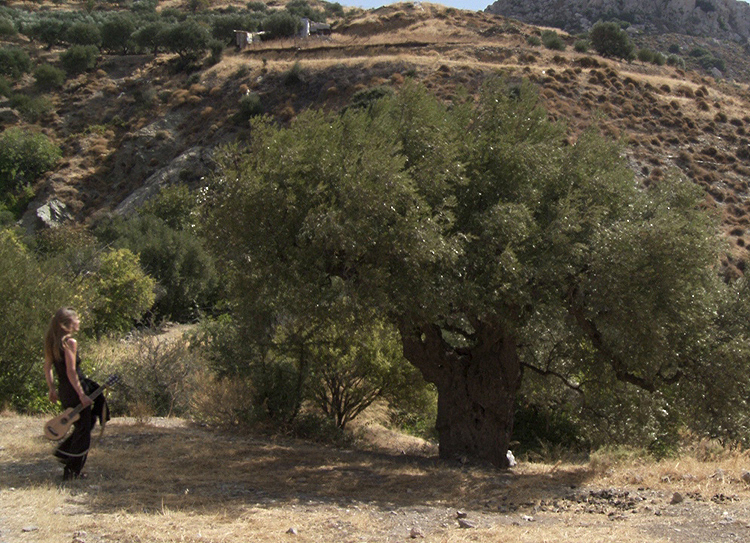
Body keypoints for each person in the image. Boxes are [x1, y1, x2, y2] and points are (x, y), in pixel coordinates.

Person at [43, 307, 95, 480]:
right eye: (77, 319)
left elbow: (47, 367)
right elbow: (71, 372)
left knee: (84, 424)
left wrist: (52, 388)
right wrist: (82, 394)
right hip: (74, 389)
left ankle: (64, 454)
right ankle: (71, 472)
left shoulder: (53, 342)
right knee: (84, 431)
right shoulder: (70, 343)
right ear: (67, 324)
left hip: (65, 392)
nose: (79, 322)